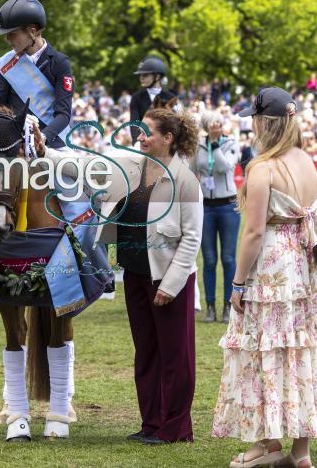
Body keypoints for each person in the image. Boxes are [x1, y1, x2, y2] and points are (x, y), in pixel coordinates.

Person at [34, 107, 203, 445]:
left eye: (147, 132)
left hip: (168, 281)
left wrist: (170, 286)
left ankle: (175, 428)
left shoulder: (186, 181)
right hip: (136, 275)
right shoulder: (128, 165)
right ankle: (151, 422)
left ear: (167, 138)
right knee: (146, 352)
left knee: (175, 355)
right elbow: (83, 166)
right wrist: (46, 153)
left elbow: (191, 240)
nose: (140, 136)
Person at [213, 87, 317, 468]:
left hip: (272, 269)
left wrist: (237, 283)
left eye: (254, 118)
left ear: (265, 122)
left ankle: (265, 444)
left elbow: (252, 232)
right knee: (301, 353)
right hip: (304, 268)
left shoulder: (262, 167)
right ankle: (301, 451)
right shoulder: (307, 162)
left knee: (261, 350)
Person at [0, 0, 74, 150]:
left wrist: (42, 137)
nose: (8, 39)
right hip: (15, 145)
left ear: (32, 32)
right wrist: (16, 121)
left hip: (53, 144)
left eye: (12, 34)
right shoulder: (7, 64)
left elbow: (63, 114)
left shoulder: (60, 63)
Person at [190, 111, 240, 323]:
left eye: (218, 123)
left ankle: (228, 307)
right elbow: (192, 171)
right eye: (211, 123)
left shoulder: (231, 144)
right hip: (206, 207)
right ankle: (210, 306)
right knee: (209, 259)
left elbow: (224, 167)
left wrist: (215, 145)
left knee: (228, 258)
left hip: (228, 205)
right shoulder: (197, 146)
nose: (215, 127)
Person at [129, 55, 177, 144]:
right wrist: (137, 142)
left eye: (145, 75)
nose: (141, 78)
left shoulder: (171, 97)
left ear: (157, 76)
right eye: (140, 75)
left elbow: (175, 124)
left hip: (165, 143)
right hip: (143, 141)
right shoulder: (136, 97)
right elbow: (134, 123)